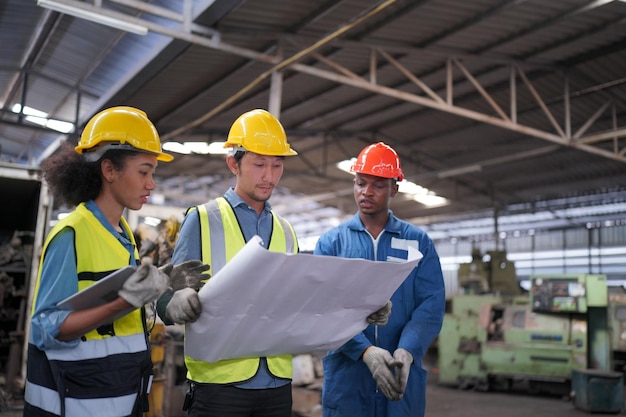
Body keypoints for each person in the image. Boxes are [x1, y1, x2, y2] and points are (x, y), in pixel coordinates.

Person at [156, 109, 391, 417]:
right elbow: (165, 298)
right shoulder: (201, 220)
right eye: (259, 164)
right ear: (233, 163)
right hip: (219, 387)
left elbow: (302, 306)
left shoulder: (285, 231)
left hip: (277, 386)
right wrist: (173, 305)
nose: (269, 175)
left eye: (277, 165)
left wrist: (360, 311)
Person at [24, 106, 208, 417]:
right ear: (109, 170)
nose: (151, 184)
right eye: (144, 171)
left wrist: (162, 286)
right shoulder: (71, 234)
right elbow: (45, 329)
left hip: (118, 400)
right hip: (74, 405)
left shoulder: (123, 236)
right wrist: (123, 303)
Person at [314, 142, 446, 417]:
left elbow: (430, 306)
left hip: (401, 374)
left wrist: (407, 351)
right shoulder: (332, 243)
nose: (366, 192)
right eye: (361, 183)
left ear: (394, 189)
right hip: (348, 377)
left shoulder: (418, 242)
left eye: (377, 185)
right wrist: (364, 352)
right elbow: (323, 307)